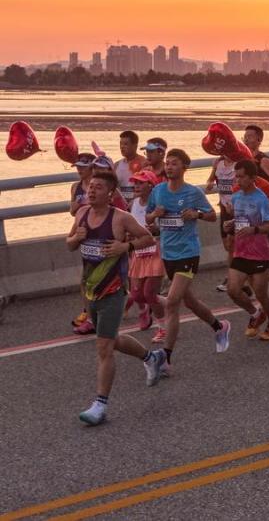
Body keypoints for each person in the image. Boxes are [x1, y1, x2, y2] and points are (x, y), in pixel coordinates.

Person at [66, 170, 165, 426]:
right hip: (90, 290)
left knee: (104, 347)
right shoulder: (81, 214)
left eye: (98, 187)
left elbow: (147, 237)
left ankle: (100, 405)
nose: (91, 191)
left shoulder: (121, 218)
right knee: (112, 338)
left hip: (113, 289)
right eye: (90, 187)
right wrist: (75, 238)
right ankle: (151, 358)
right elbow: (69, 243)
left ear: (110, 193)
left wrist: (126, 247)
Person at [147, 149, 232, 367]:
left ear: (185, 167)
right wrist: (155, 215)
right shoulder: (157, 191)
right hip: (168, 253)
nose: (169, 167)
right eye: (167, 163)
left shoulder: (193, 193)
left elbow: (213, 216)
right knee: (189, 301)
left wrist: (197, 214)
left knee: (172, 302)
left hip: (188, 252)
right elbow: (147, 218)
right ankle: (219, 327)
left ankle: (165, 358)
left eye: (174, 163)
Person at [223, 159, 269, 341]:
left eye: (241, 177)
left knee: (261, 294)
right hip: (241, 251)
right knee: (232, 290)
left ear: (252, 178)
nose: (238, 181)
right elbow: (240, 219)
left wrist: (254, 229)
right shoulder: (236, 196)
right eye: (236, 177)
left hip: (258, 253)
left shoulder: (261, 199)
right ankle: (256, 314)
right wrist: (230, 224)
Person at [70, 154, 128, 334]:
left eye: (83, 166)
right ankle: (89, 315)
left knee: (106, 344)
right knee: (85, 281)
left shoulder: (112, 193)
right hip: (88, 236)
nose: (80, 170)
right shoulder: (78, 188)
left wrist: (124, 245)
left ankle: (142, 305)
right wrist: (77, 236)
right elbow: (73, 212)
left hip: (111, 249)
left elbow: (125, 215)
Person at [127, 170, 166, 340]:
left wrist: (156, 228)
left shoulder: (158, 204)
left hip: (155, 250)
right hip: (138, 252)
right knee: (137, 295)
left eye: (140, 183)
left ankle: (163, 327)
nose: (136, 186)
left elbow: (165, 228)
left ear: (151, 185)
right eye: (135, 183)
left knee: (149, 293)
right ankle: (170, 302)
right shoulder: (133, 203)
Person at [205, 154, 237, 293]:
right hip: (224, 208)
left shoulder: (238, 163)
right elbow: (210, 180)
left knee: (232, 245)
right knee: (227, 245)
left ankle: (232, 278)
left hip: (236, 208)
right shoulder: (218, 162)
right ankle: (240, 276)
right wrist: (210, 183)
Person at [114, 130, 144, 207]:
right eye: (120, 144)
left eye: (126, 144)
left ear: (135, 146)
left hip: (137, 204)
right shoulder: (116, 165)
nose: (122, 147)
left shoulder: (143, 163)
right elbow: (113, 187)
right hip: (120, 205)